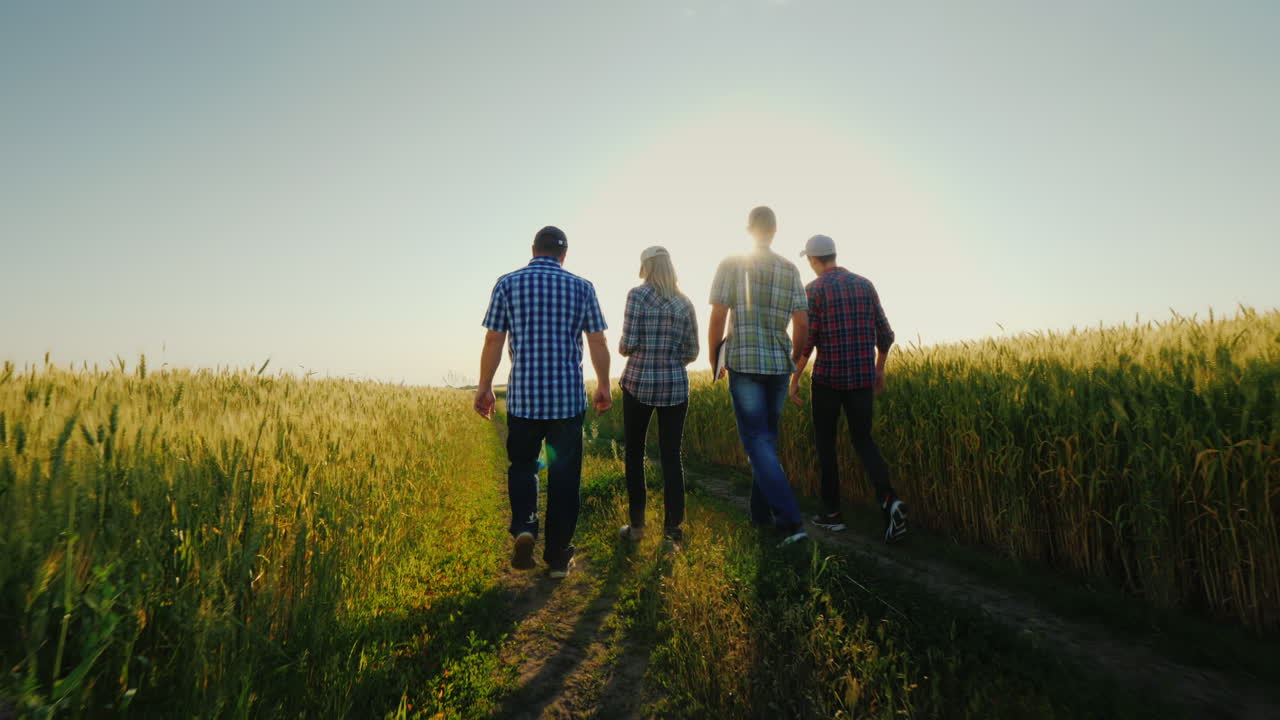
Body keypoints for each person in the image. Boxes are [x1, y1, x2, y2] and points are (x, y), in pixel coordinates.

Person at [475, 225, 613, 579]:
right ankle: (557, 558)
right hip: (567, 401)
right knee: (565, 478)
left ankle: (524, 526)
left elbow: (494, 339)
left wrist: (485, 387)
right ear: (564, 255)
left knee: (522, 466)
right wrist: (603, 385)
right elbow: (597, 341)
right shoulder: (582, 287)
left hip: (523, 400)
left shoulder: (507, 283)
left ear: (533, 250)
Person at [790, 234, 906, 542]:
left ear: (814, 260)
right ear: (834, 255)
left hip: (828, 380)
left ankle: (833, 514)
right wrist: (878, 370)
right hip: (861, 380)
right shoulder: (864, 284)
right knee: (864, 440)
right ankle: (889, 500)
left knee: (825, 444)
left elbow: (807, 343)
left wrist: (795, 377)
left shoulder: (813, 290)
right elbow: (886, 334)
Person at [708, 206, 810, 546]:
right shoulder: (790, 268)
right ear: (775, 230)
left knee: (756, 441)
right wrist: (793, 357)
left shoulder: (731, 263)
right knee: (766, 440)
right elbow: (802, 322)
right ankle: (759, 514)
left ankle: (791, 522)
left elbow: (719, 314)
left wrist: (714, 356)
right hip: (779, 365)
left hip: (746, 361)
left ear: (749, 228)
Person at [618, 246, 699, 546]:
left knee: (634, 455)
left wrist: (630, 347)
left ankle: (637, 527)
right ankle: (672, 533)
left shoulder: (636, 296)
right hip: (675, 387)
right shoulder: (685, 303)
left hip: (638, 383)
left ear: (646, 267)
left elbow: (627, 344)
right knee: (671, 458)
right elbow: (693, 351)